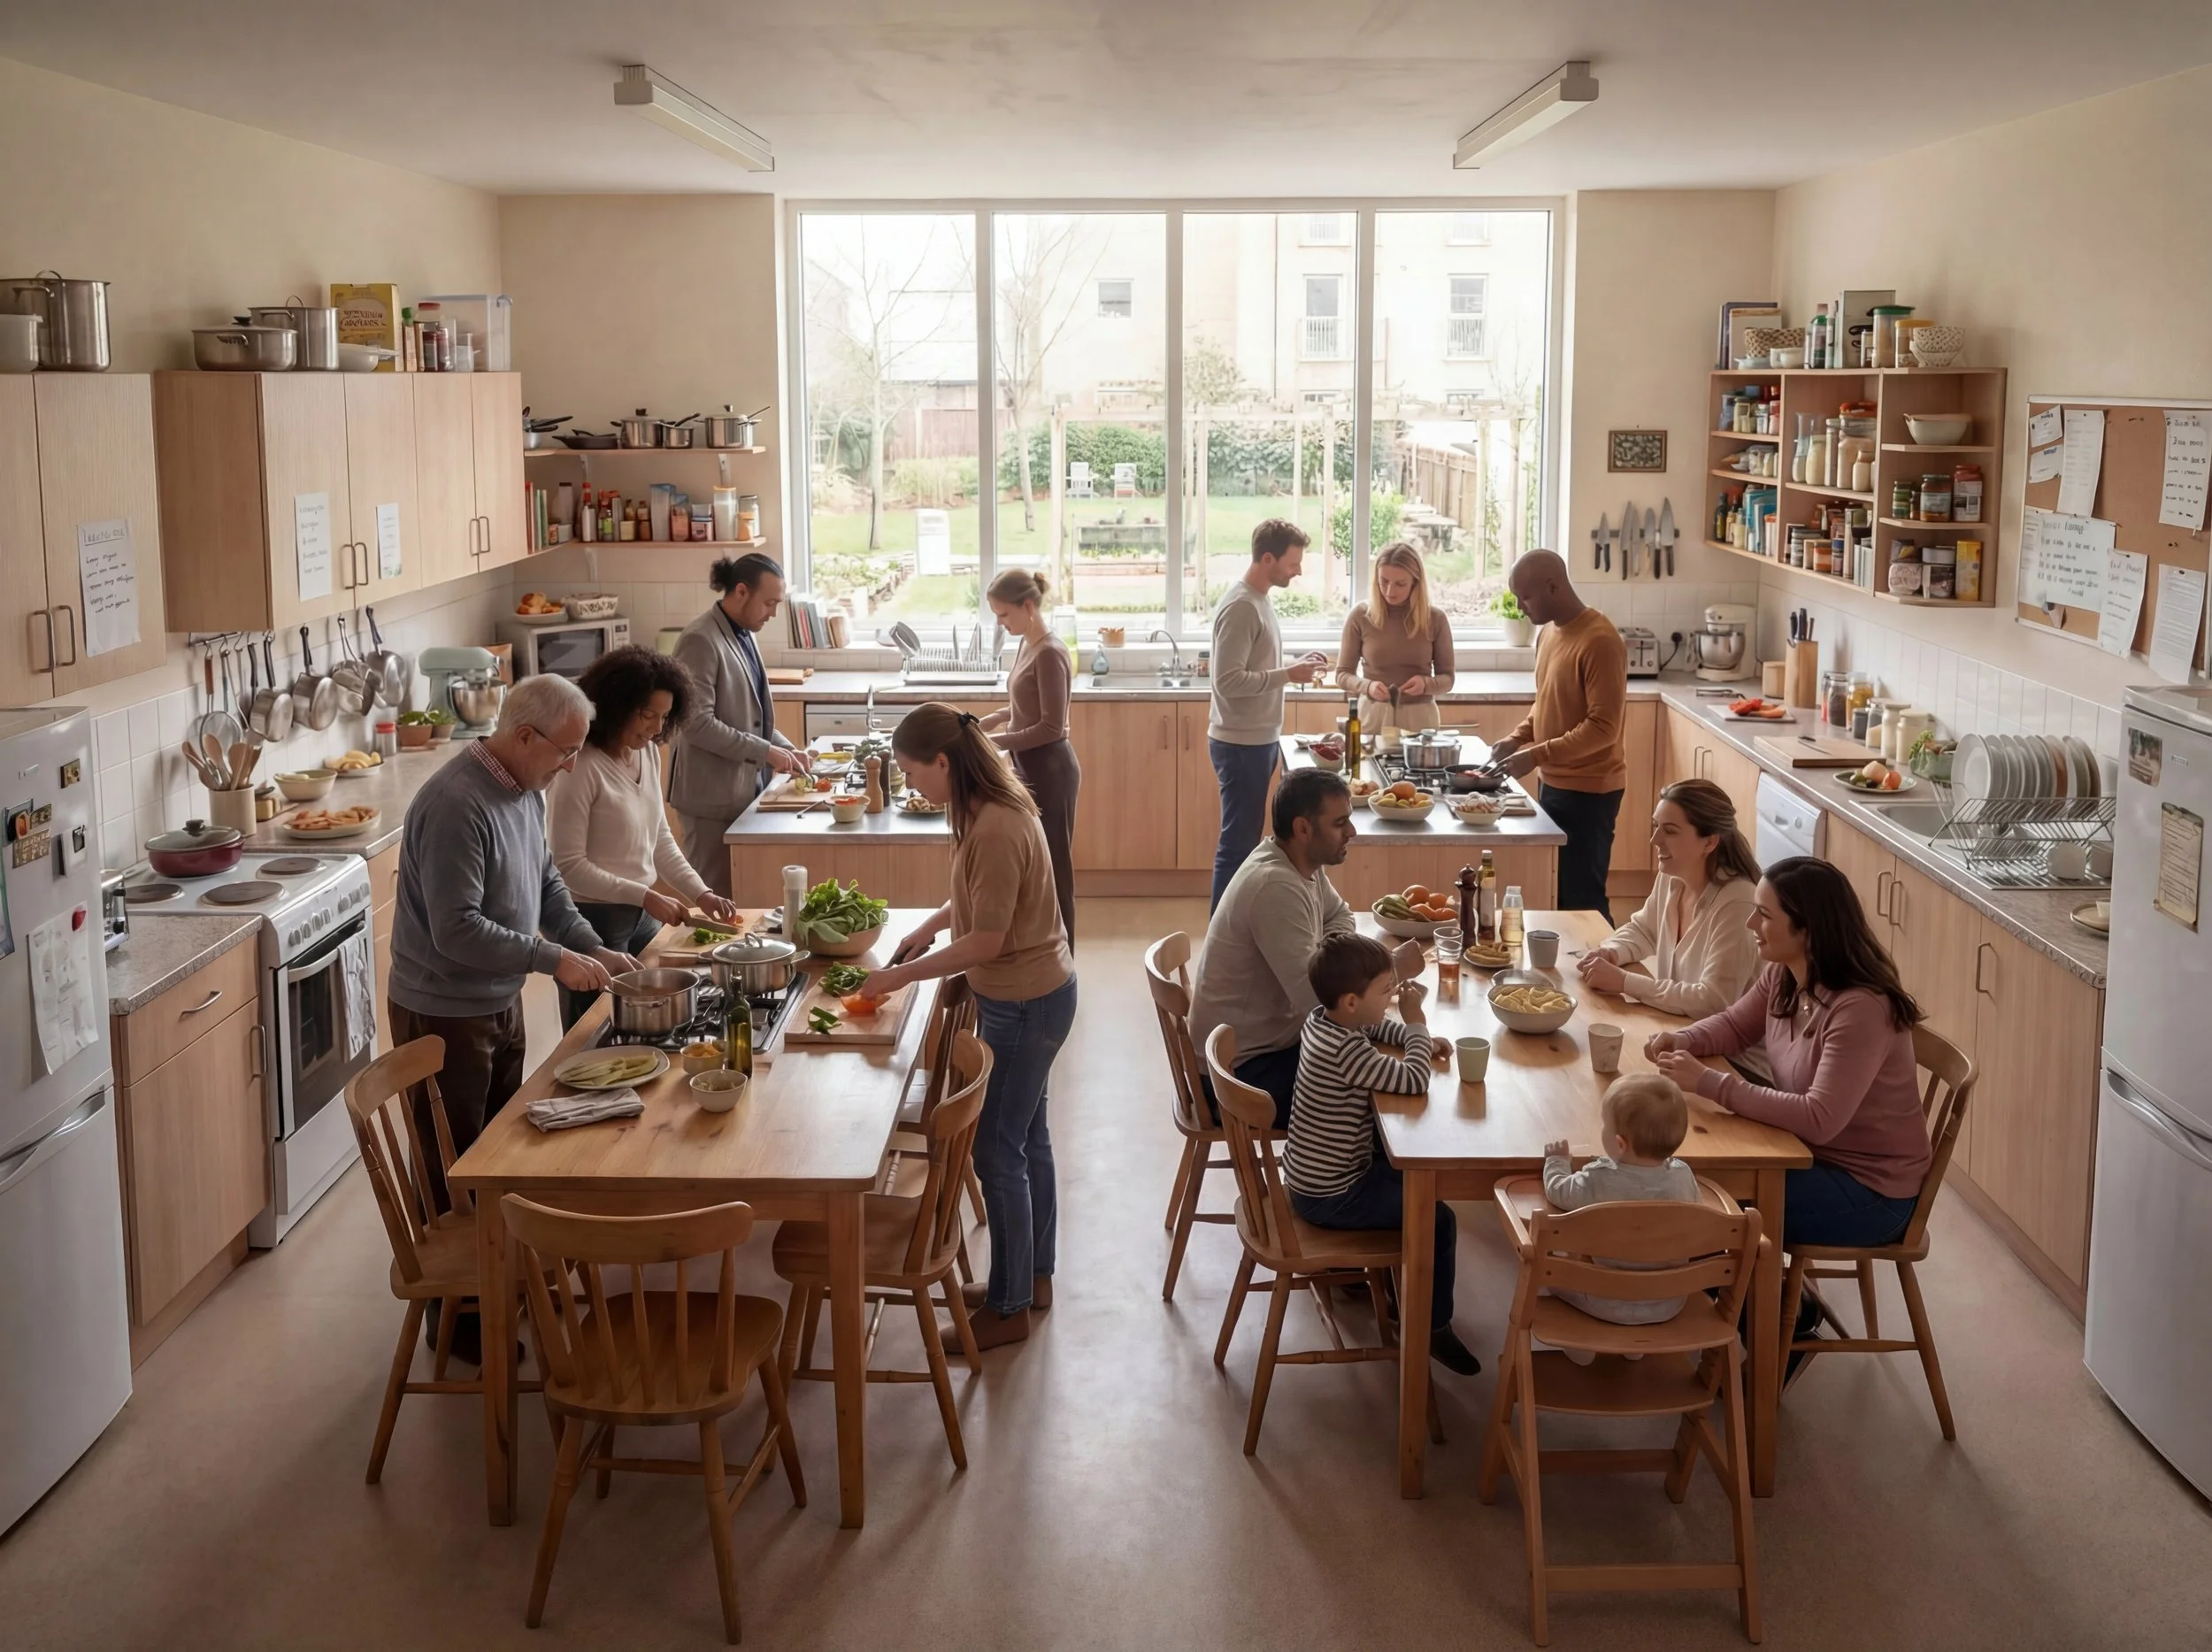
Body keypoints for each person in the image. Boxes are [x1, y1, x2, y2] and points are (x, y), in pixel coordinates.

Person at [1647, 857, 1932, 1349]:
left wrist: (1710, 1085)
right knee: (1690, 1189)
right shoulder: (1786, 973)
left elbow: (1820, 1120)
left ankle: (1775, 1325)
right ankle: (1769, 1308)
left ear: (1808, 929)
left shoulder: (1861, 1007)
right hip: (1802, 1154)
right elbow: (1735, 1026)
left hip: (1871, 1191)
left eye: (1763, 915)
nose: (1750, 924)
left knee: (1699, 1212)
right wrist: (1683, 1039)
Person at [861, 703, 1076, 1350]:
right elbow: (981, 897)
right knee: (1027, 1139)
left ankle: (1008, 1307)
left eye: (912, 773)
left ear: (944, 762)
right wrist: (927, 926)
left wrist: (902, 975)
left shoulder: (998, 825)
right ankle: (1029, 1278)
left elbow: (988, 936)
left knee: (996, 1152)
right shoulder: (986, 809)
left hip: (1026, 1002)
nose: (912, 786)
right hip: (1031, 996)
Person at [386, 672, 640, 1216]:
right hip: (444, 1014)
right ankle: (458, 1299)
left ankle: (500, 1288)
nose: (572, 764)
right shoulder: (458, 805)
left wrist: (590, 948)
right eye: (566, 751)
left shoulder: (525, 788)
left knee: (499, 1154)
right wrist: (552, 959)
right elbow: (455, 930)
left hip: (498, 1000)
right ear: (525, 737)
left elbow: (547, 883)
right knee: (453, 1171)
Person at [1286, 933, 1481, 1377]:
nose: (1394, 997)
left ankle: (1405, 1291)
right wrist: (1417, 1026)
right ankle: (1432, 1326)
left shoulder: (1325, 1020)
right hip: (1333, 1194)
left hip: (1315, 1175)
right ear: (1352, 1001)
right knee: (1439, 1216)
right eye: (1387, 991)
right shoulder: (1347, 1052)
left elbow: (1375, 1027)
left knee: (1407, 1174)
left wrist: (1416, 1037)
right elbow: (1414, 1080)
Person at [1187, 768, 1418, 1129]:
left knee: (1379, 1070)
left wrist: (1335, 962)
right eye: (1340, 823)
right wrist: (1390, 970)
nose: (1352, 832)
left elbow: (1340, 914)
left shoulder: (1299, 862)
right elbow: (1322, 1001)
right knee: (1383, 1103)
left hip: (1261, 1050)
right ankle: (1347, 1185)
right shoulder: (1274, 887)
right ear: (1303, 829)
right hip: (1240, 1077)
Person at [549, 646, 740, 1030]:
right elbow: (568, 868)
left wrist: (700, 892)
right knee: (593, 1032)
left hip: (639, 918)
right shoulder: (579, 766)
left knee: (648, 1024)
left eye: (665, 717)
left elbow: (660, 837)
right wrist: (646, 895)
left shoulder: (648, 753)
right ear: (616, 705)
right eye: (647, 714)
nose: (656, 727)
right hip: (591, 920)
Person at [1487, 549, 1628, 920]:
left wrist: (1535, 755)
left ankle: (1606, 972)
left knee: (1582, 899)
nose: (1519, 606)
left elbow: (1603, 729)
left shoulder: (1600, 641)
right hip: (1555, 781)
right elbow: (1549, 700)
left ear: (1553, 587)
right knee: (1559, 895)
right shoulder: (1549, 632)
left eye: (1525, 596)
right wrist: (1518, 738)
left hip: (1590, 790)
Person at [668, 553, 807, 898]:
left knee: (742, 899)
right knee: (713, 903)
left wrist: (786, 749)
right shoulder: (700, 639)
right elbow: (695, 723)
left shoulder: (744, 632)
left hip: (743, 791)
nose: (773, 613)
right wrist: (766, 752)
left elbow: (751, 718)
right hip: (709, 799)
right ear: (742, 591)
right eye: (769, 603)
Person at [1208, 517, 1329, 910]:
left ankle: (1233, 937)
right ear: (1267, 558)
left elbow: (1255, 666)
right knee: (1237, 845)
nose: (1298, 570)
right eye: (1293, 563)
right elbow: (1228, 681)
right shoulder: (1243, 606)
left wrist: (1294, 666)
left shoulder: (1258, 601)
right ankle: (1222, 943)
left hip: (1255, 741)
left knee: (1243, 841)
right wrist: (1289, 674)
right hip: (1240, 744)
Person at [1576, 778, 1764, 1020]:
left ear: (1709, 841)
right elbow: (1645, 930)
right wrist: (1612, 951)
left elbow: (1714, 1001)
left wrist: (1625, 981)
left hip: (1731, 1056)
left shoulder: (1739, 903)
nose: (1655, 840)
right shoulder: (1674, 875)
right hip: (1681, 1029)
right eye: (1656, 826)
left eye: (1670, 831)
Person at [1541, 1073, 1702, 1342]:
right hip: (1668, 1303)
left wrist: (1556, 1161)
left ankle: (1579, 1345)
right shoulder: (1683, 1176)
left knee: (1551, 1273)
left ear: (1619, 1144)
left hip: (1603, 1302)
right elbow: (1697, 1211)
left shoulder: (1598, 1178)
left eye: (1604, 1125)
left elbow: (1557, 1191)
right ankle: (1635, 1346)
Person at [979, 567, 1079, 941]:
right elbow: (1024, 705)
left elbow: (1053, 727)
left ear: (1028, 606)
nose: (1001, 623)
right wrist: (990, 720)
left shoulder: (1052, 653)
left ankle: (1065, 960)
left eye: (1004, 615)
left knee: (1055, 868)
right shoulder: (1026, 643)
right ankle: (1041, 949)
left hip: (1051, 769)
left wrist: (995, 744)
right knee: (1036, 865)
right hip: (1028, 764)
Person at [1333, 541, 1456, 731]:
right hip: (1372, 717)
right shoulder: (1360, 616)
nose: (1390, 591)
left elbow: (1448, 679)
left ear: (1415, 582)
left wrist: (1426, 684)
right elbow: (1342, 675)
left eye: (1400, 584)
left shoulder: (1435, 619)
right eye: (1384, 582)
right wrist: (1368, 686)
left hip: (1420, 721)